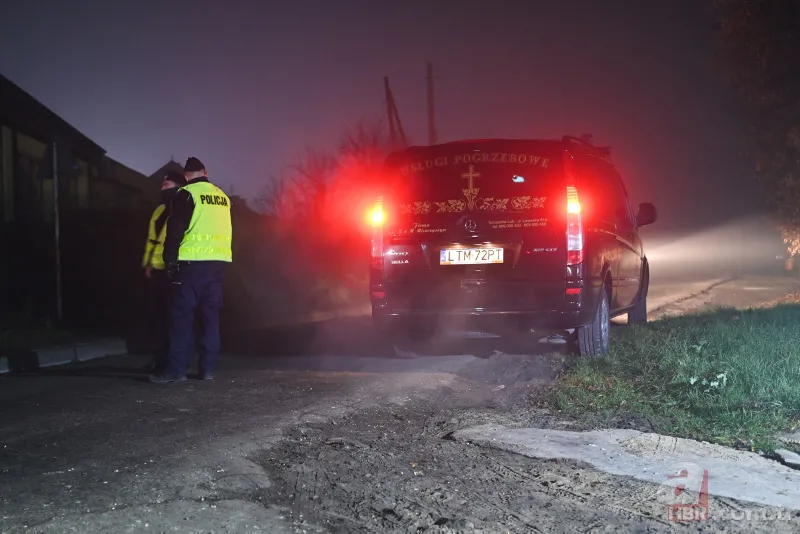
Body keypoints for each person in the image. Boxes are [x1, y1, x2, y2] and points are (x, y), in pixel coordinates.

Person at [149, 157, 233, 383]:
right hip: (219, 264)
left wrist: (169, 263)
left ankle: (176, 371)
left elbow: (175, 231)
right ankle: (207, 369)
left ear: (186, 176)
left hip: (192, 265)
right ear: (205, 171)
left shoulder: (186, 195)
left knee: (181, 318)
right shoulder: (223, 197)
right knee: (210, 317)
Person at [141, 170, 187, 374]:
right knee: (159, 317)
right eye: (162, 186)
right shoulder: (160, 211)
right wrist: (148, 263)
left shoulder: (184, 208)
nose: (163, 189)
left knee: (175, 317)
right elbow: (153, 239)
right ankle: (160, 359)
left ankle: (176, 360)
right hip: (159, 269)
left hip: (177, 269)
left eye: (167, 186)